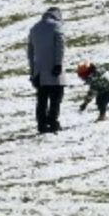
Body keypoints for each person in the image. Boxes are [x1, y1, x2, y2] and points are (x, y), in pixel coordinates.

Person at [27, 7, 67, 135]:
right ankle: (53, 123)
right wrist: (58, 64)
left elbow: (30, 52)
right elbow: (60, 47)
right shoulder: (57, 26)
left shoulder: (34, 28)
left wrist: (32, 70)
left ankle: (41, 125)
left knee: (42, 100)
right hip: (53, 69)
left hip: (38, 71)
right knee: (56, 98)